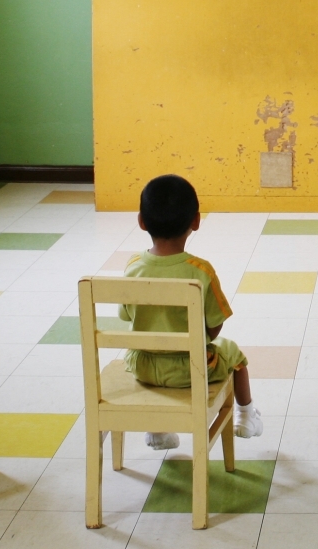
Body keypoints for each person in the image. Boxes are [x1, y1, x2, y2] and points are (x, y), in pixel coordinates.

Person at [121, 174, 262, 446]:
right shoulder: (201, 271)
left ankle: (158, 430)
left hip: (143, 366)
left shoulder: (133, 266)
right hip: (192, 369)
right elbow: (214, 327)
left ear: (141, 220)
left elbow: (127, 315)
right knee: (235, 356)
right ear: (196, 221)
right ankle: (247, 415)